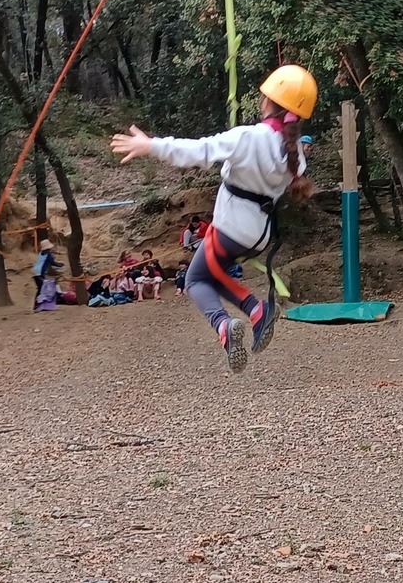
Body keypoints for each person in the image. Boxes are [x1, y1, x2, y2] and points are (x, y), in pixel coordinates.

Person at [110, 64, 317, 372]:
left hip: (231, 229)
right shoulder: (295, 154)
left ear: (269, 103)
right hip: (259, 235)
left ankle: (224, 326)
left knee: (194, 279)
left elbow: (200, 150)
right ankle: (256, 310)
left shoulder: (249, 137)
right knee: (210, 273)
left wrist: (151, 145)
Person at [31, 238, 61, 312]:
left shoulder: (41, 253)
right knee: (41, 289)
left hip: (35, 272)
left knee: (40, 288)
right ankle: (37, 305)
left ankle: (39, 304)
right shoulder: (48, 254)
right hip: (40, 273)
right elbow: (52, 262)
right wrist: (60, 265)